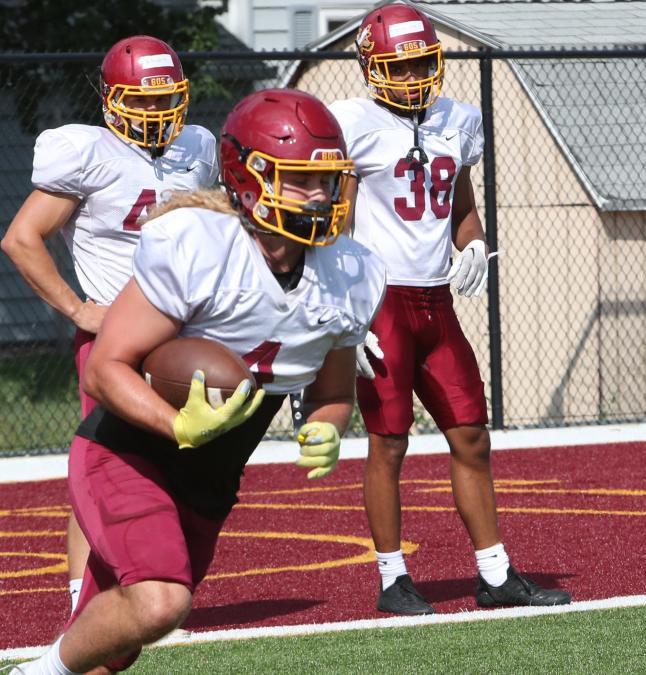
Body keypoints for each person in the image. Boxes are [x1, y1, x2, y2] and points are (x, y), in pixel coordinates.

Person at [16, 88, 386, 675]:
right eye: (299, 180)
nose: (320, 196)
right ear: (249, 177)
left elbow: (333, 395)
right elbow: (107, 367)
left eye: (327, 180)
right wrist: (174, 421)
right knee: (162, 600)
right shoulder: (199, 245)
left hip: (211, 481)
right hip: (128, 454)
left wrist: (327, 428)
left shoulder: (352, 272)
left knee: (114, 649)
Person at [329, 3, 571, 615]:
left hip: (436, 303)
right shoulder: (352, 122)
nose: (411, 77)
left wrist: (476, 242)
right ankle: (392, 578)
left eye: (419, 64)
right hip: (380, 301)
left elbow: (461, 203)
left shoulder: (457, 120)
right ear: (371, 66)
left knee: (471, 435)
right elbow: (335, 221)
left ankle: (494, 573)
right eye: (398, 66)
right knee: (388, 443)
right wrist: (345, 308)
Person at [0, 35, 218, 615]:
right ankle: (83, 599)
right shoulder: (86, 151)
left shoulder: (196, 147)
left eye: (164, 99)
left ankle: (159, 586)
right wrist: (77, 310)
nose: (154, 112)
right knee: (107, 466)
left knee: (181, 461)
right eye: (141, 101)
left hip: (181, 334)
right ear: (111, 98)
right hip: (115, 338)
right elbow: (21, 239)